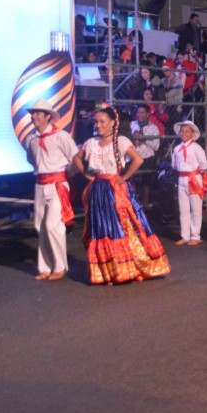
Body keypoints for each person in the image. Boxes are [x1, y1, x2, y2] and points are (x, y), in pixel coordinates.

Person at [72, 105, 171, 285]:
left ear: (112, 123)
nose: (98, 125)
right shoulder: (91, 143)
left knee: (118, 226)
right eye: (96, 121)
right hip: (97, 189)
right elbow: (77, 159)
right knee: (101, 228)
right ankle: (107, 271)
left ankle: (124, 267)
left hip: (114, 189)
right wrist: (88, 175)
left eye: (102, 121)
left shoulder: (121, 141)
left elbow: (138, 159)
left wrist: (124, 177)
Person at [22, 100, 78, 282]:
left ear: (48, 116)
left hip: (57, 184)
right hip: (40, 184)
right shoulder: (31, 139)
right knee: (40, 226)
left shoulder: (61, 136)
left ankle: (60, 266)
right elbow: (31, 159)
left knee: (53, 225)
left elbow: (75, 157)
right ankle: (45, 267)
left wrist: (65, 175)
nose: (34, 116)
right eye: (33, 113)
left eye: (39, 113)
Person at [172, 120, 207, 246]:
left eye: (187, 131)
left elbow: (204, 165)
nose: (184, 133)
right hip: (182, 178)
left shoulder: (196, 148)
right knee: (183, 209)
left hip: (194, 178)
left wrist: (196, 174)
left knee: (196, 208)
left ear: (192, 134)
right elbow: (174, 165)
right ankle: (185, 235)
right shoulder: (177, 149)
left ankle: (195, 235)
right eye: (182, 131)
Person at [131, 104, 162, 205]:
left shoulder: (153, 128)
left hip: (147, 156)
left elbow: (156, 146)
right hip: (133, 154)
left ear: (148, 114)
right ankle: (131, 201)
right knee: (130, 176)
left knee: (146, 178)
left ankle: (145, 202)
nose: (139, 115)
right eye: (138, 112)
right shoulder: (132, 124)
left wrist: (144, 139)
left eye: (142, 113)